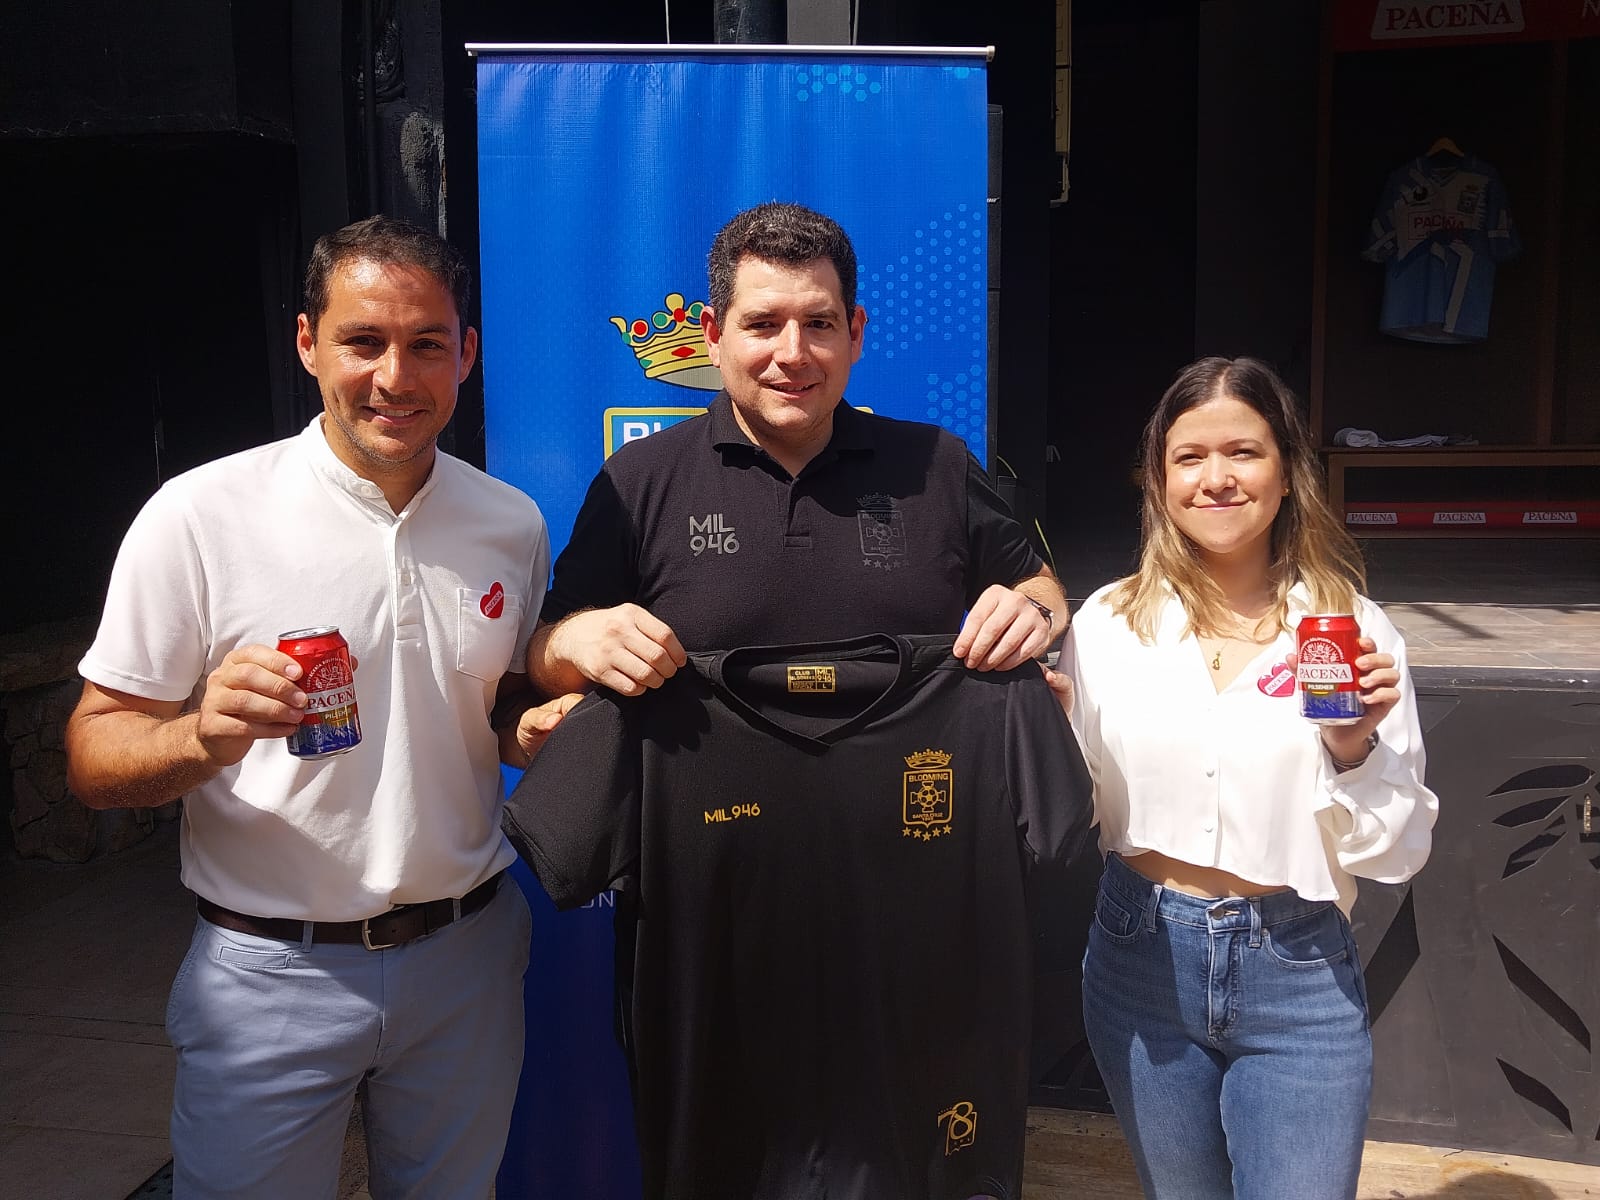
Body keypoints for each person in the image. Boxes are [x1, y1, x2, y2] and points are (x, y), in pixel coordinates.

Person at [64, 216, 571, 1199]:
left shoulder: (509, 521)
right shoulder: (200, 515)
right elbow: (91, 754)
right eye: (362, 341)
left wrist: (533, 728)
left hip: (465, 959)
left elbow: (489, 706)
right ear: (308, 343)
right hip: (269, 977)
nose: (395, 377)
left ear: (466, 354)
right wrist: (200, 737)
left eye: (427, 344)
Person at [1058, 356, 1438, 1200]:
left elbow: (1398, 853)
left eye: (1244, 452)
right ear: (1159, 480)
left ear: (1287, 470)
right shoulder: (1109, 625)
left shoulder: (1348, 629)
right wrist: (1039, 738)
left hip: (1298, 972)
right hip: (1139, 959)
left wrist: (1353, 750)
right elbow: (1073, 808)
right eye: (1189, 457)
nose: (1216, 478)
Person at [526, 201, 1065, 698]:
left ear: (855, 333)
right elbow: (544, 658)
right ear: (713, 336)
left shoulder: (938, 463)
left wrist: (1034, 611)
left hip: (912, 775)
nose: (793, 353)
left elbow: (1038, 585)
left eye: (818, 324)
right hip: (705, 777)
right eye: (762, 324)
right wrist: (573, 641)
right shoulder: (637, 480)